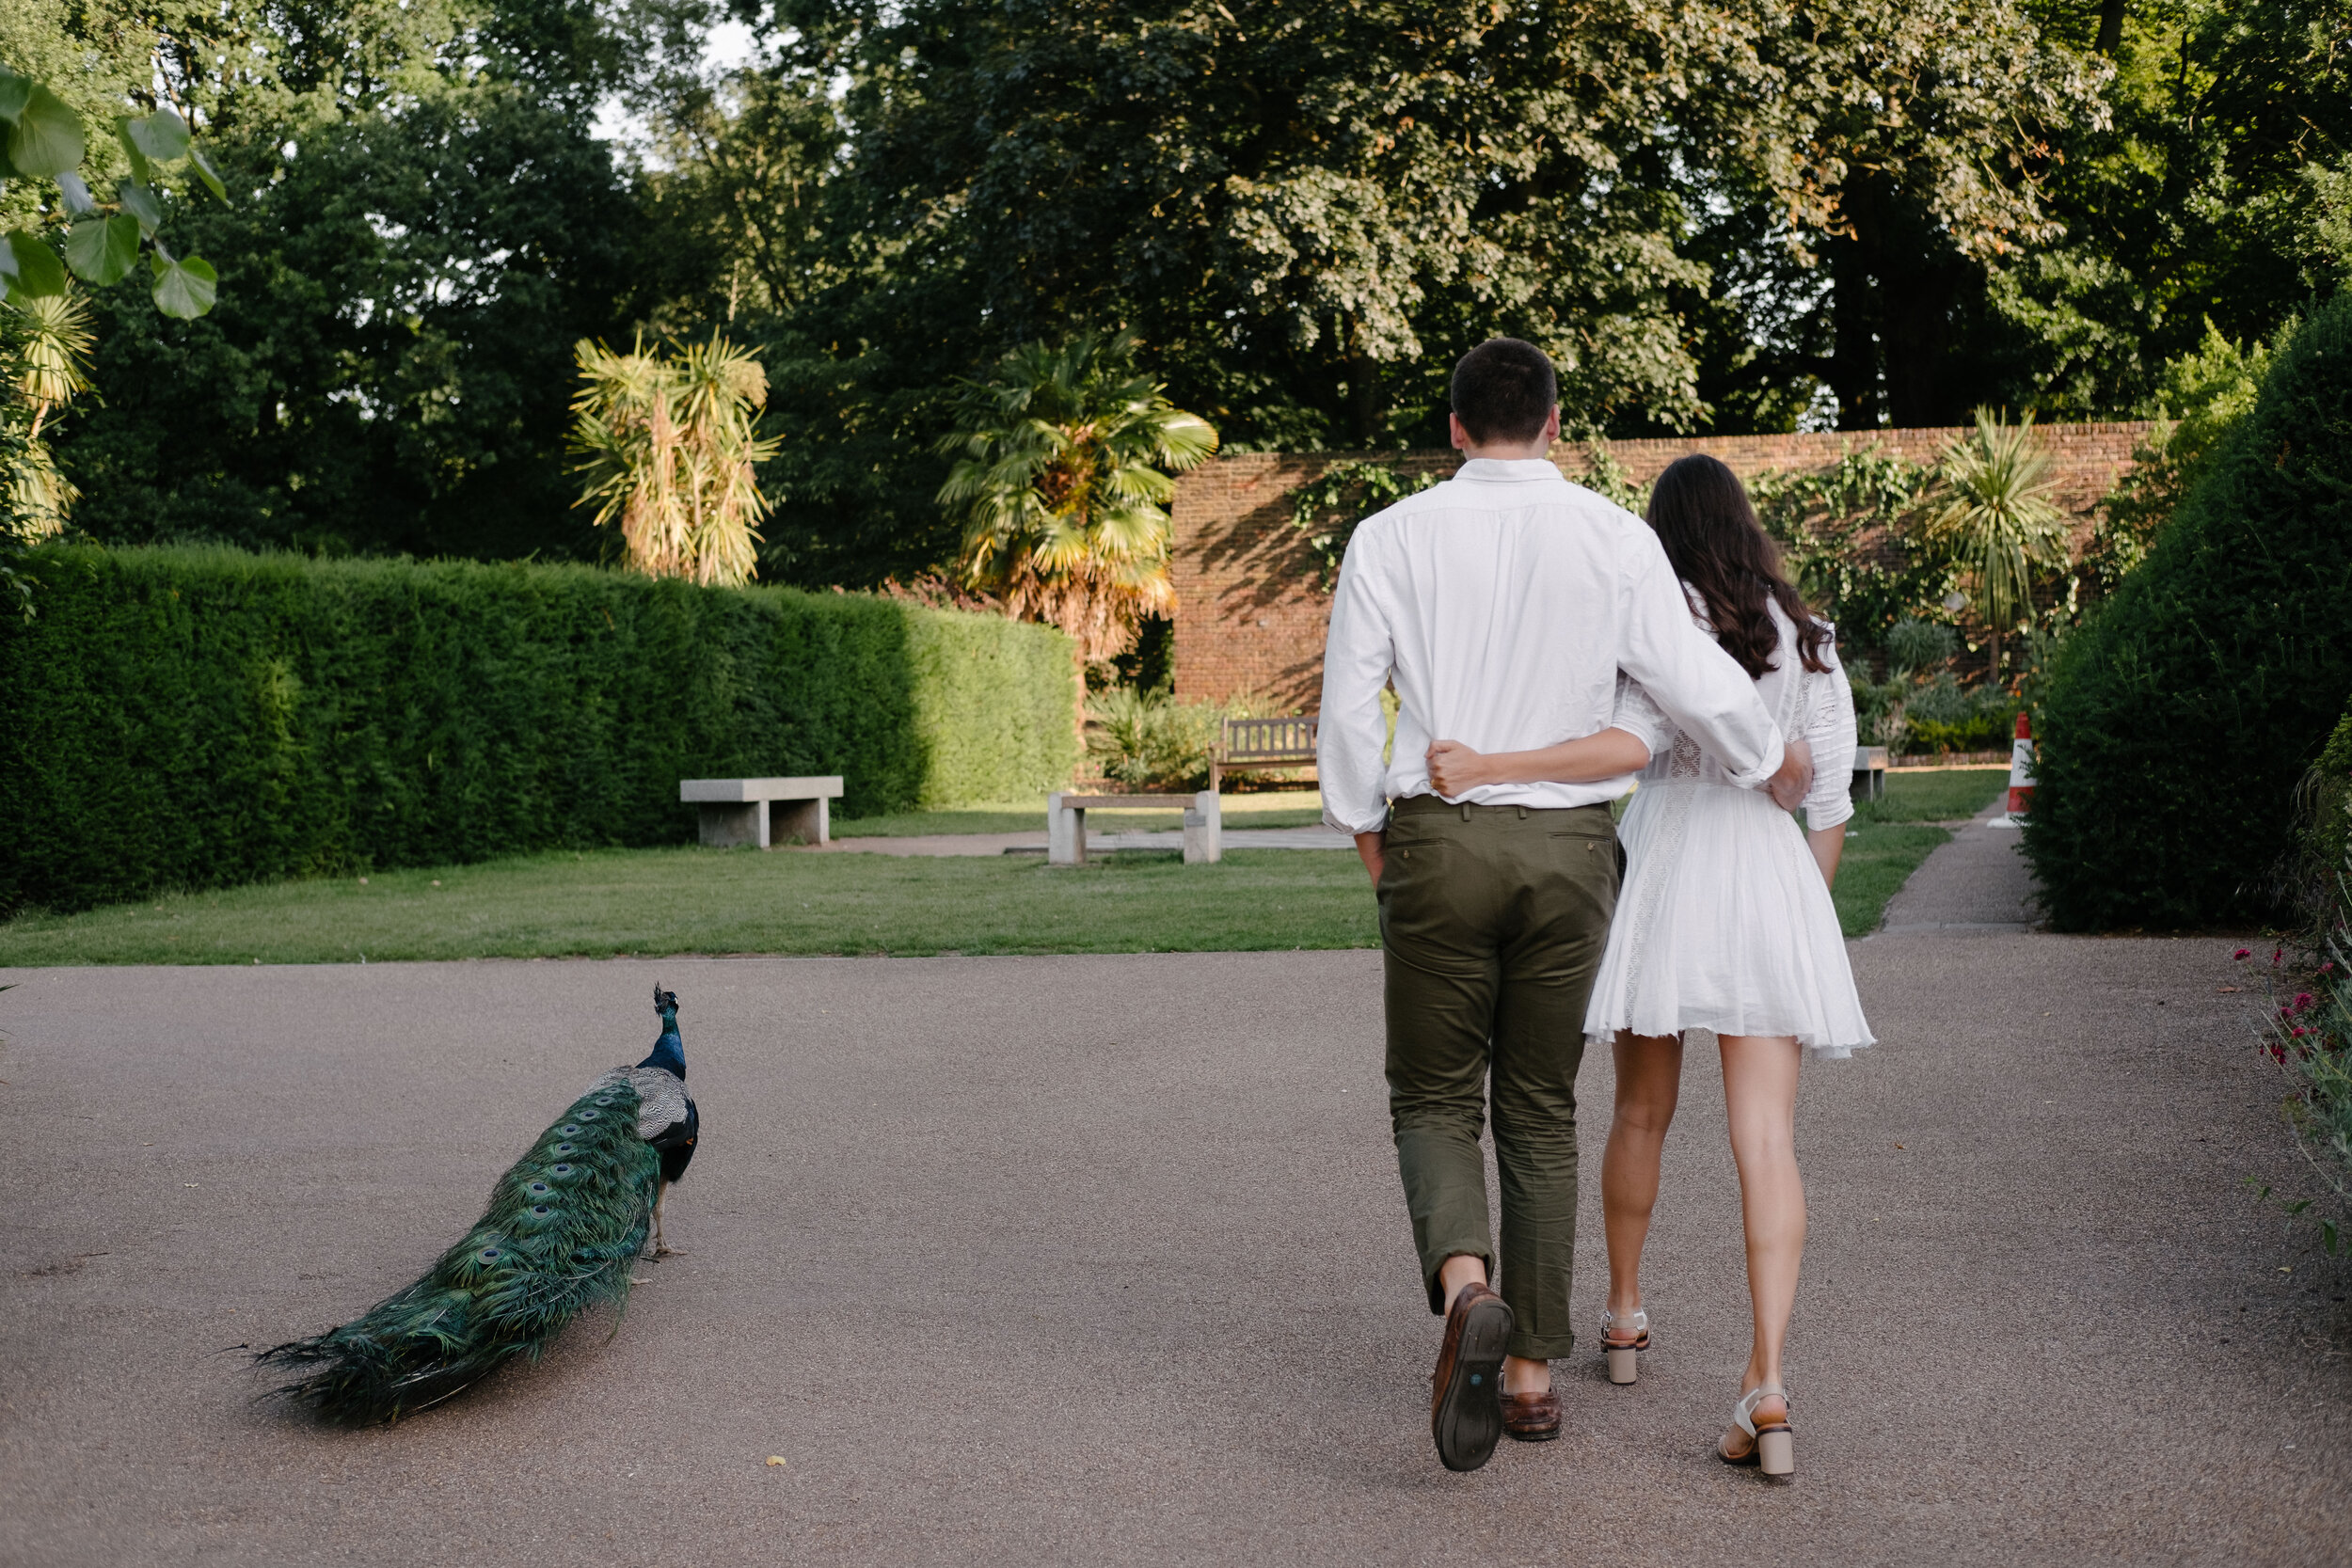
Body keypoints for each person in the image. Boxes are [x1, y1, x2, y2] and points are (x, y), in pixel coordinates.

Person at [1316, 341, 1814, 1473]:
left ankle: (1466, 1284)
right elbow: (1690, 678)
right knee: (1538, 1100)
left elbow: (1350, 705)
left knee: (1435, 1093)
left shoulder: (1389, 536)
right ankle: (1532, 1376)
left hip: (1439, 836)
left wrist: (1369, 839)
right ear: (1553, 423)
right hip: (1574, 851)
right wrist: (1761, 755)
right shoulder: (1611, 535)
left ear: (1452, 428)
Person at [1423, 453, 1871, 1479]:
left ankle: (1623, 1316)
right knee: (1767, 1138)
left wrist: (1493, 762)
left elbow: (1620, 744)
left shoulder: (1656, 616)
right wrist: (1796, 913)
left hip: (1667, 864)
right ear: (1746, 524)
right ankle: (1767, 1384)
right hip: (1766, 870)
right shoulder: (1807, 636)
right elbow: (1828, 801)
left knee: (1638, 1110)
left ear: (1660, 531)